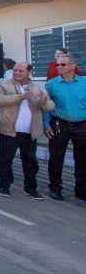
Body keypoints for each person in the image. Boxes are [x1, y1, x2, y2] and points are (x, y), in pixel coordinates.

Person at [0, 62, 54, 199]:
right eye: (15, 70)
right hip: (9, 130)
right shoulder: (3, 84)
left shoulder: (38, 88)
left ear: (29, 72)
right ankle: (4, 186)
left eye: (21, 71)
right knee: (5, 160)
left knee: (30, 161)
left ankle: (30, 188)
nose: (17, 73)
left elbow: (50, 106)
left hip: (30, 132)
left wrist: (43, 102)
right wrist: (21, 97)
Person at [44, 53, 86, 201]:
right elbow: (44, 107)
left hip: (82, 124)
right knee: (56, 157)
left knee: (82, 159)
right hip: (59, 124)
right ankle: (55, 188)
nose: (59, 67)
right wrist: (45, 124)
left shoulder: (83, 83)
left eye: (63, 64)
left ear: (73, 66)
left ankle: (81, 189)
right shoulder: (51, 84)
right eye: (58, 65)